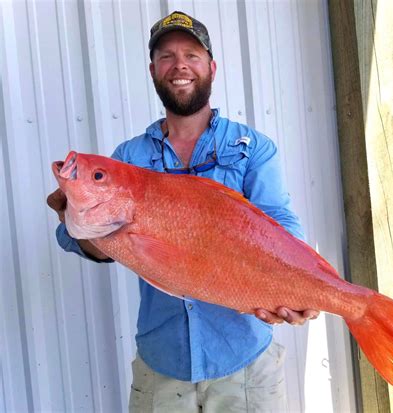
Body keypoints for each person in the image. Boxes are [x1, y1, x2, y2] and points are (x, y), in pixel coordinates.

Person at [47, 10, 319, 412]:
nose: (179, 66)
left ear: (211, 67)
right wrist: (79, 225)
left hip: (244, 361)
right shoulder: (129, 158)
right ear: (153, 70)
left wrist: (305, 285)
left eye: (191, 54)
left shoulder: (252, 147)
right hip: (161, 361)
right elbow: (102, 246)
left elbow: (281, 225)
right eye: (166, 56)